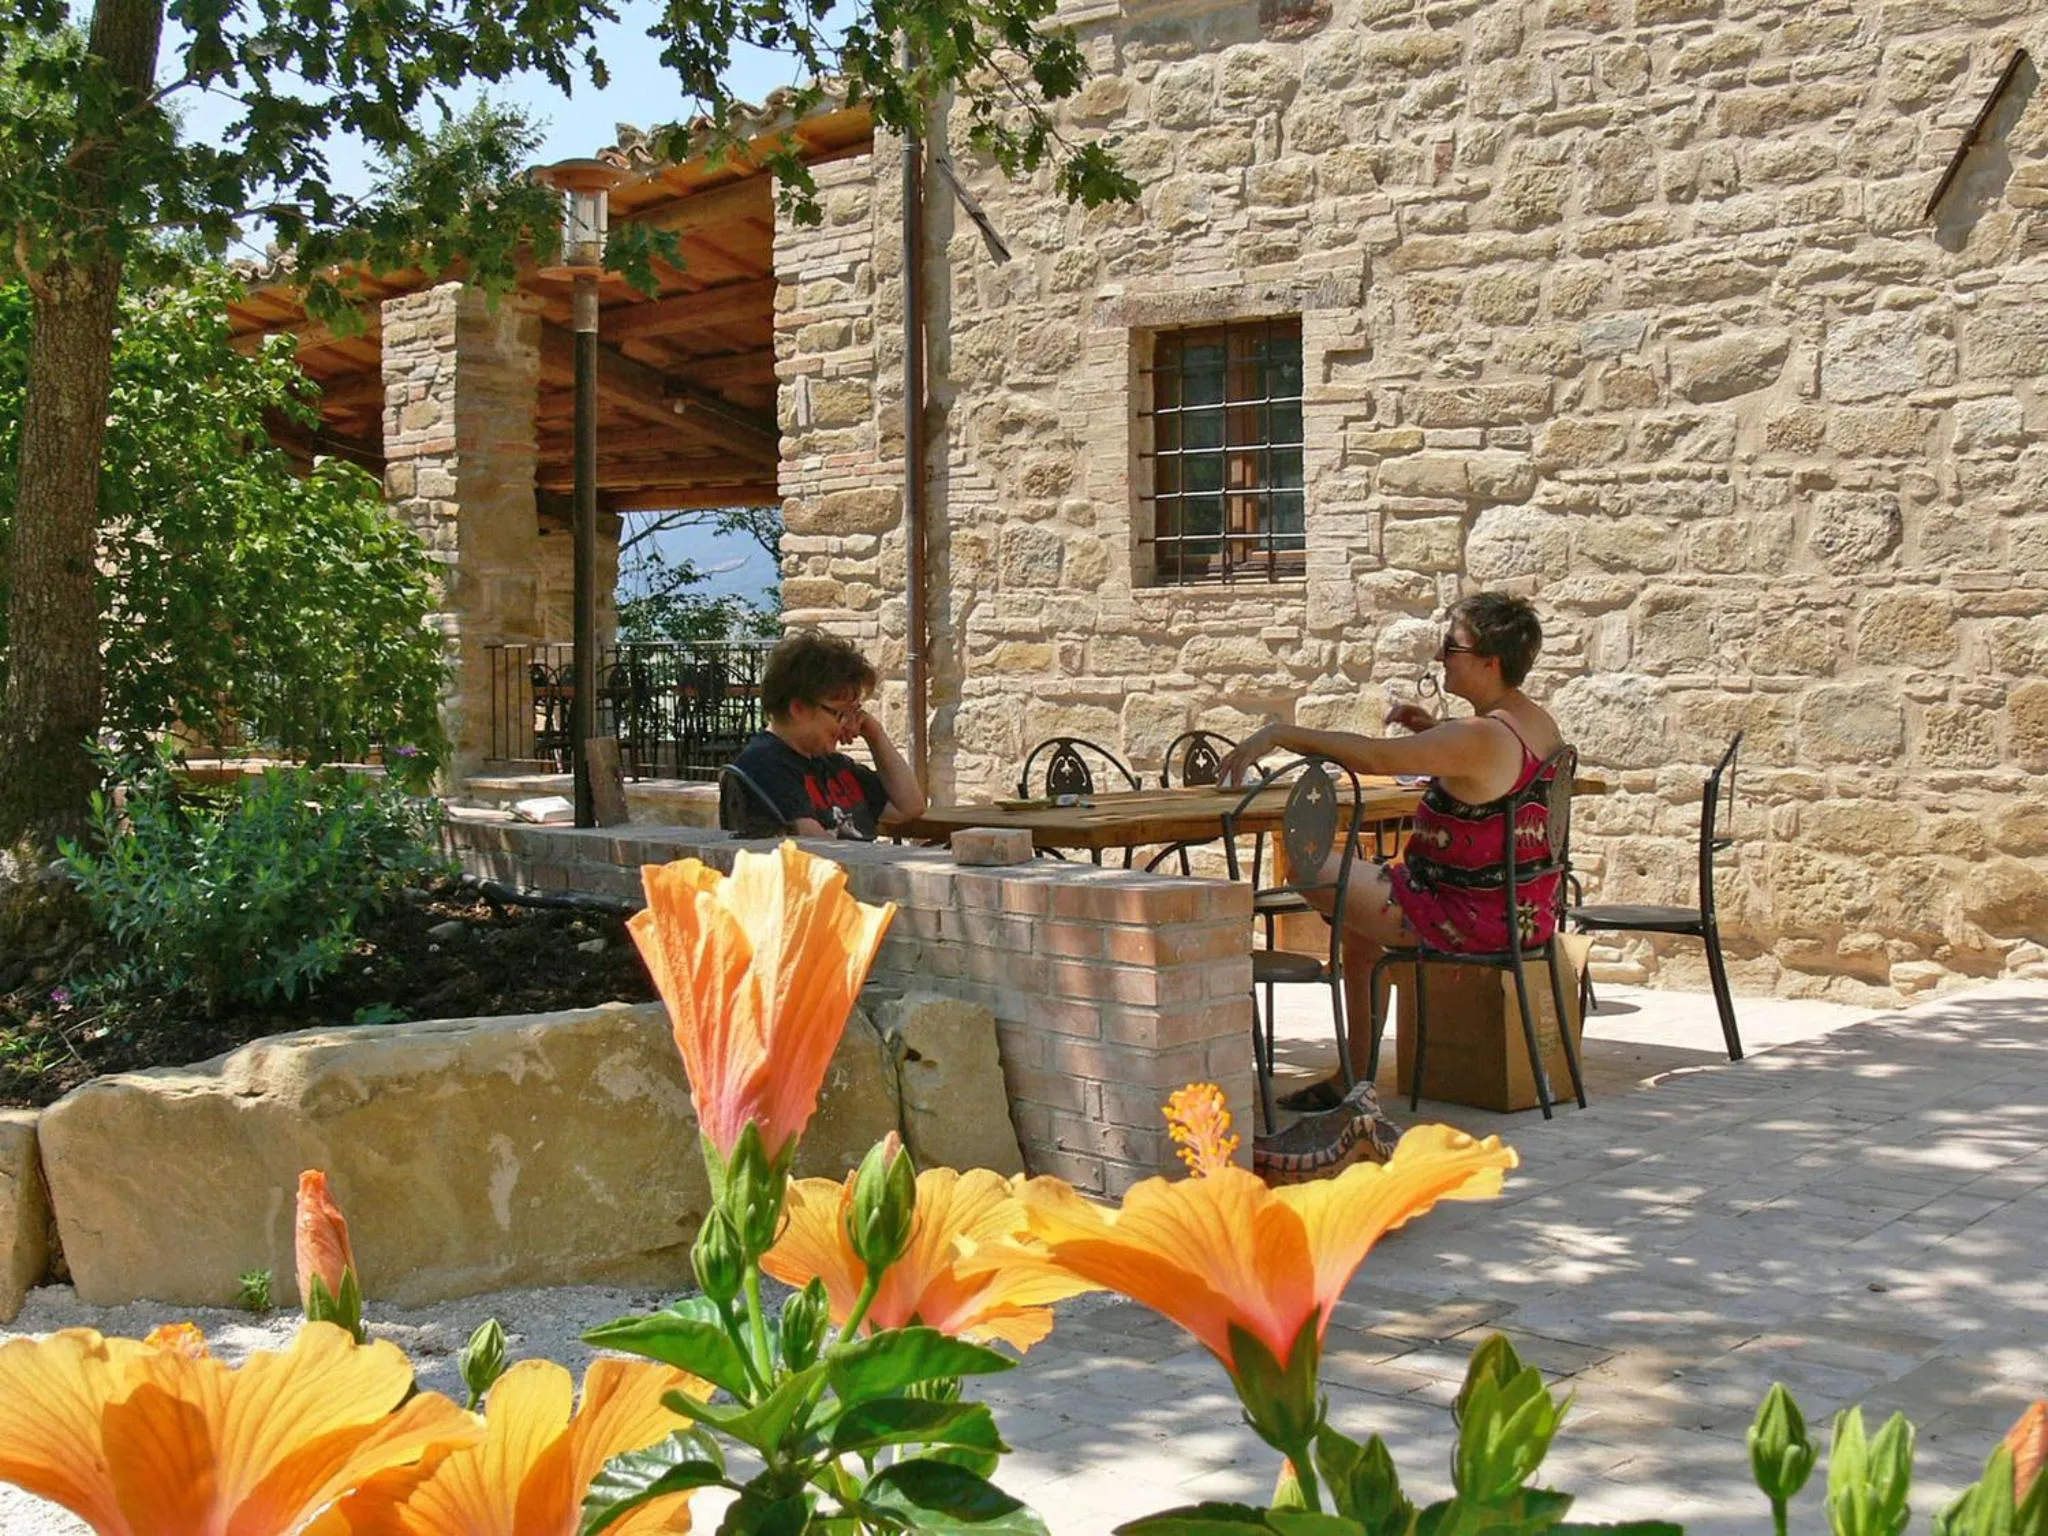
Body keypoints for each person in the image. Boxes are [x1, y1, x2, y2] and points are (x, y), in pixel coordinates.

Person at [1216, 592, 1566, 1109]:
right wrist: (1432, 733)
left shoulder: (1480, 736)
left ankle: (1353, 1069)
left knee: (1310, 862)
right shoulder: (1531, 721)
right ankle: (1352, 1078)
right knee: (1360, 939)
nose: (1441, 656)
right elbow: (1489, 774)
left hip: (1461, 916)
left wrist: (1281, 733)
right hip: (1518, 912)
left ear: (1490, 662)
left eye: (1452, 647)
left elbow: (1377, 755)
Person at [726, 632, 926, 840]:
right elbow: (819, 849)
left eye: (854, 712)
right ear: (799, 708)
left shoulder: (832, 764)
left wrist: (874, 733)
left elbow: (909, 807)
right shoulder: (763, 766)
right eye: (841, 713)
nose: (849, 722)